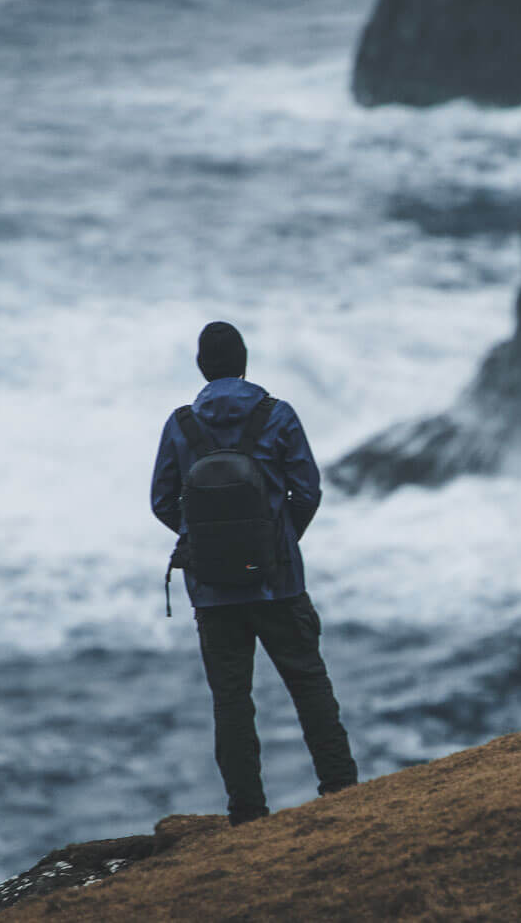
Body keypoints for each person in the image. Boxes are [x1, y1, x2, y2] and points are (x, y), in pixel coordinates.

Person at [151, 321, 358, 824]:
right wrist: (279, 541)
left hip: (214, 589)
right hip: (277, 581)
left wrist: (205, 539)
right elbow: (307, 491)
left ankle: (247, 813)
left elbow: (161, 501)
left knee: (231, 701)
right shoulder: (277, 415)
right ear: (244, 362)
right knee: (308, 683)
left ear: (202, 368)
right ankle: (343, 792)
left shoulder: (181, 425)